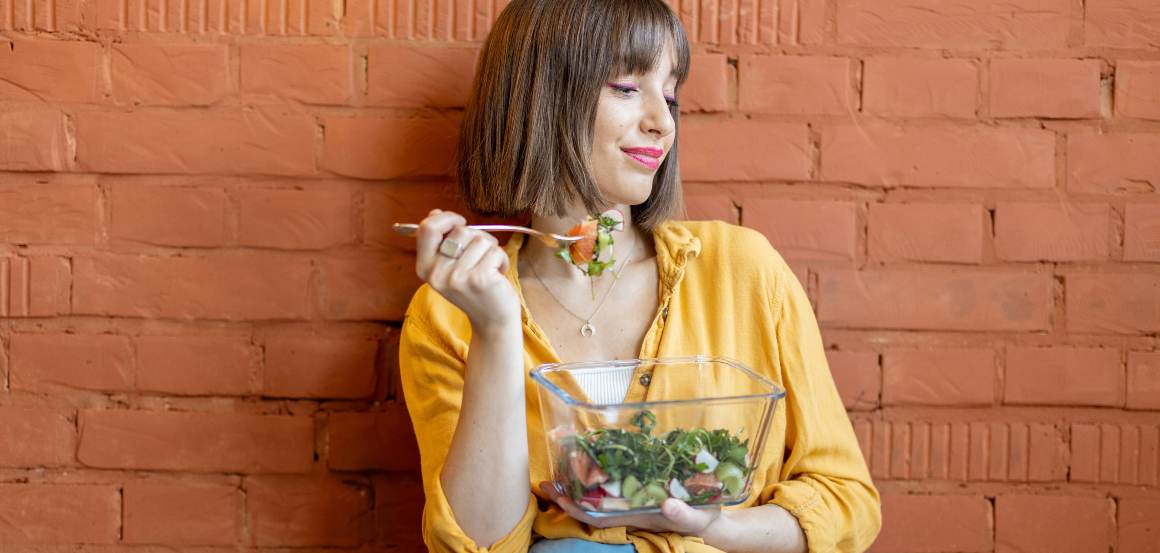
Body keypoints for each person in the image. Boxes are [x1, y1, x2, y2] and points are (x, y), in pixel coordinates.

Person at [398, 1, 881, 552]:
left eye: (670, 95)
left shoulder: (742, 270)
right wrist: (496, 330)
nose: (663, 121)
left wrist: (716, 527)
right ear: (542, 95)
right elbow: (478, 545)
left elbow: (845, 503)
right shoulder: (450, 314)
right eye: (627, 88)